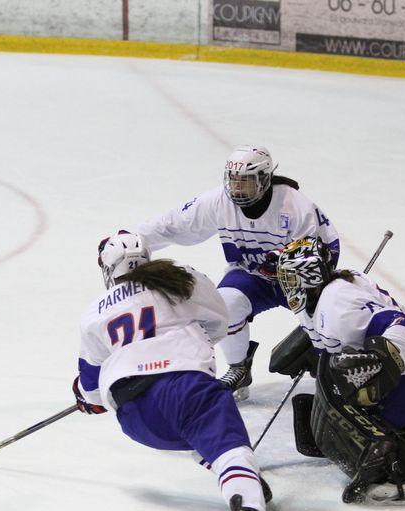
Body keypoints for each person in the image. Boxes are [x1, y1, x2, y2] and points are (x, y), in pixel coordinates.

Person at [72, 231, 296, 511]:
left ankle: (236, 480)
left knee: (196, 436)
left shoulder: (93, 313)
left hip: (134, 417)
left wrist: (84, 398)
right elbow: (220, 322)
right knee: (229, 448)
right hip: (185, 387)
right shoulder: (180, 277)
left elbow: (90, 391)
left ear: (107, 270)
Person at [274, 237, 405, 505]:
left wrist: (381, 362)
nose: (287, 286)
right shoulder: (330, 293)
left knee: (336, 377)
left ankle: (398, 473)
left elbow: (402, 328)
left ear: (310, 276)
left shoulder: (336, 305)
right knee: (322, 418)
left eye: (291, 278)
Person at [136, 145, 339, 399]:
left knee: (322, 318)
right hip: (251, 277)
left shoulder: (294, 205)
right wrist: (134, 240)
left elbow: (321, 250)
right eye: (234, 181)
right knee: (225, 305)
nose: (238, 189)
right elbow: (173, 224)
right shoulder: (219, 201)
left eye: (246, 182)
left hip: (299, 279)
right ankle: (239, 367)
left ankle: (332, 367)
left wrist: (283, 261)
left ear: (264, 179)